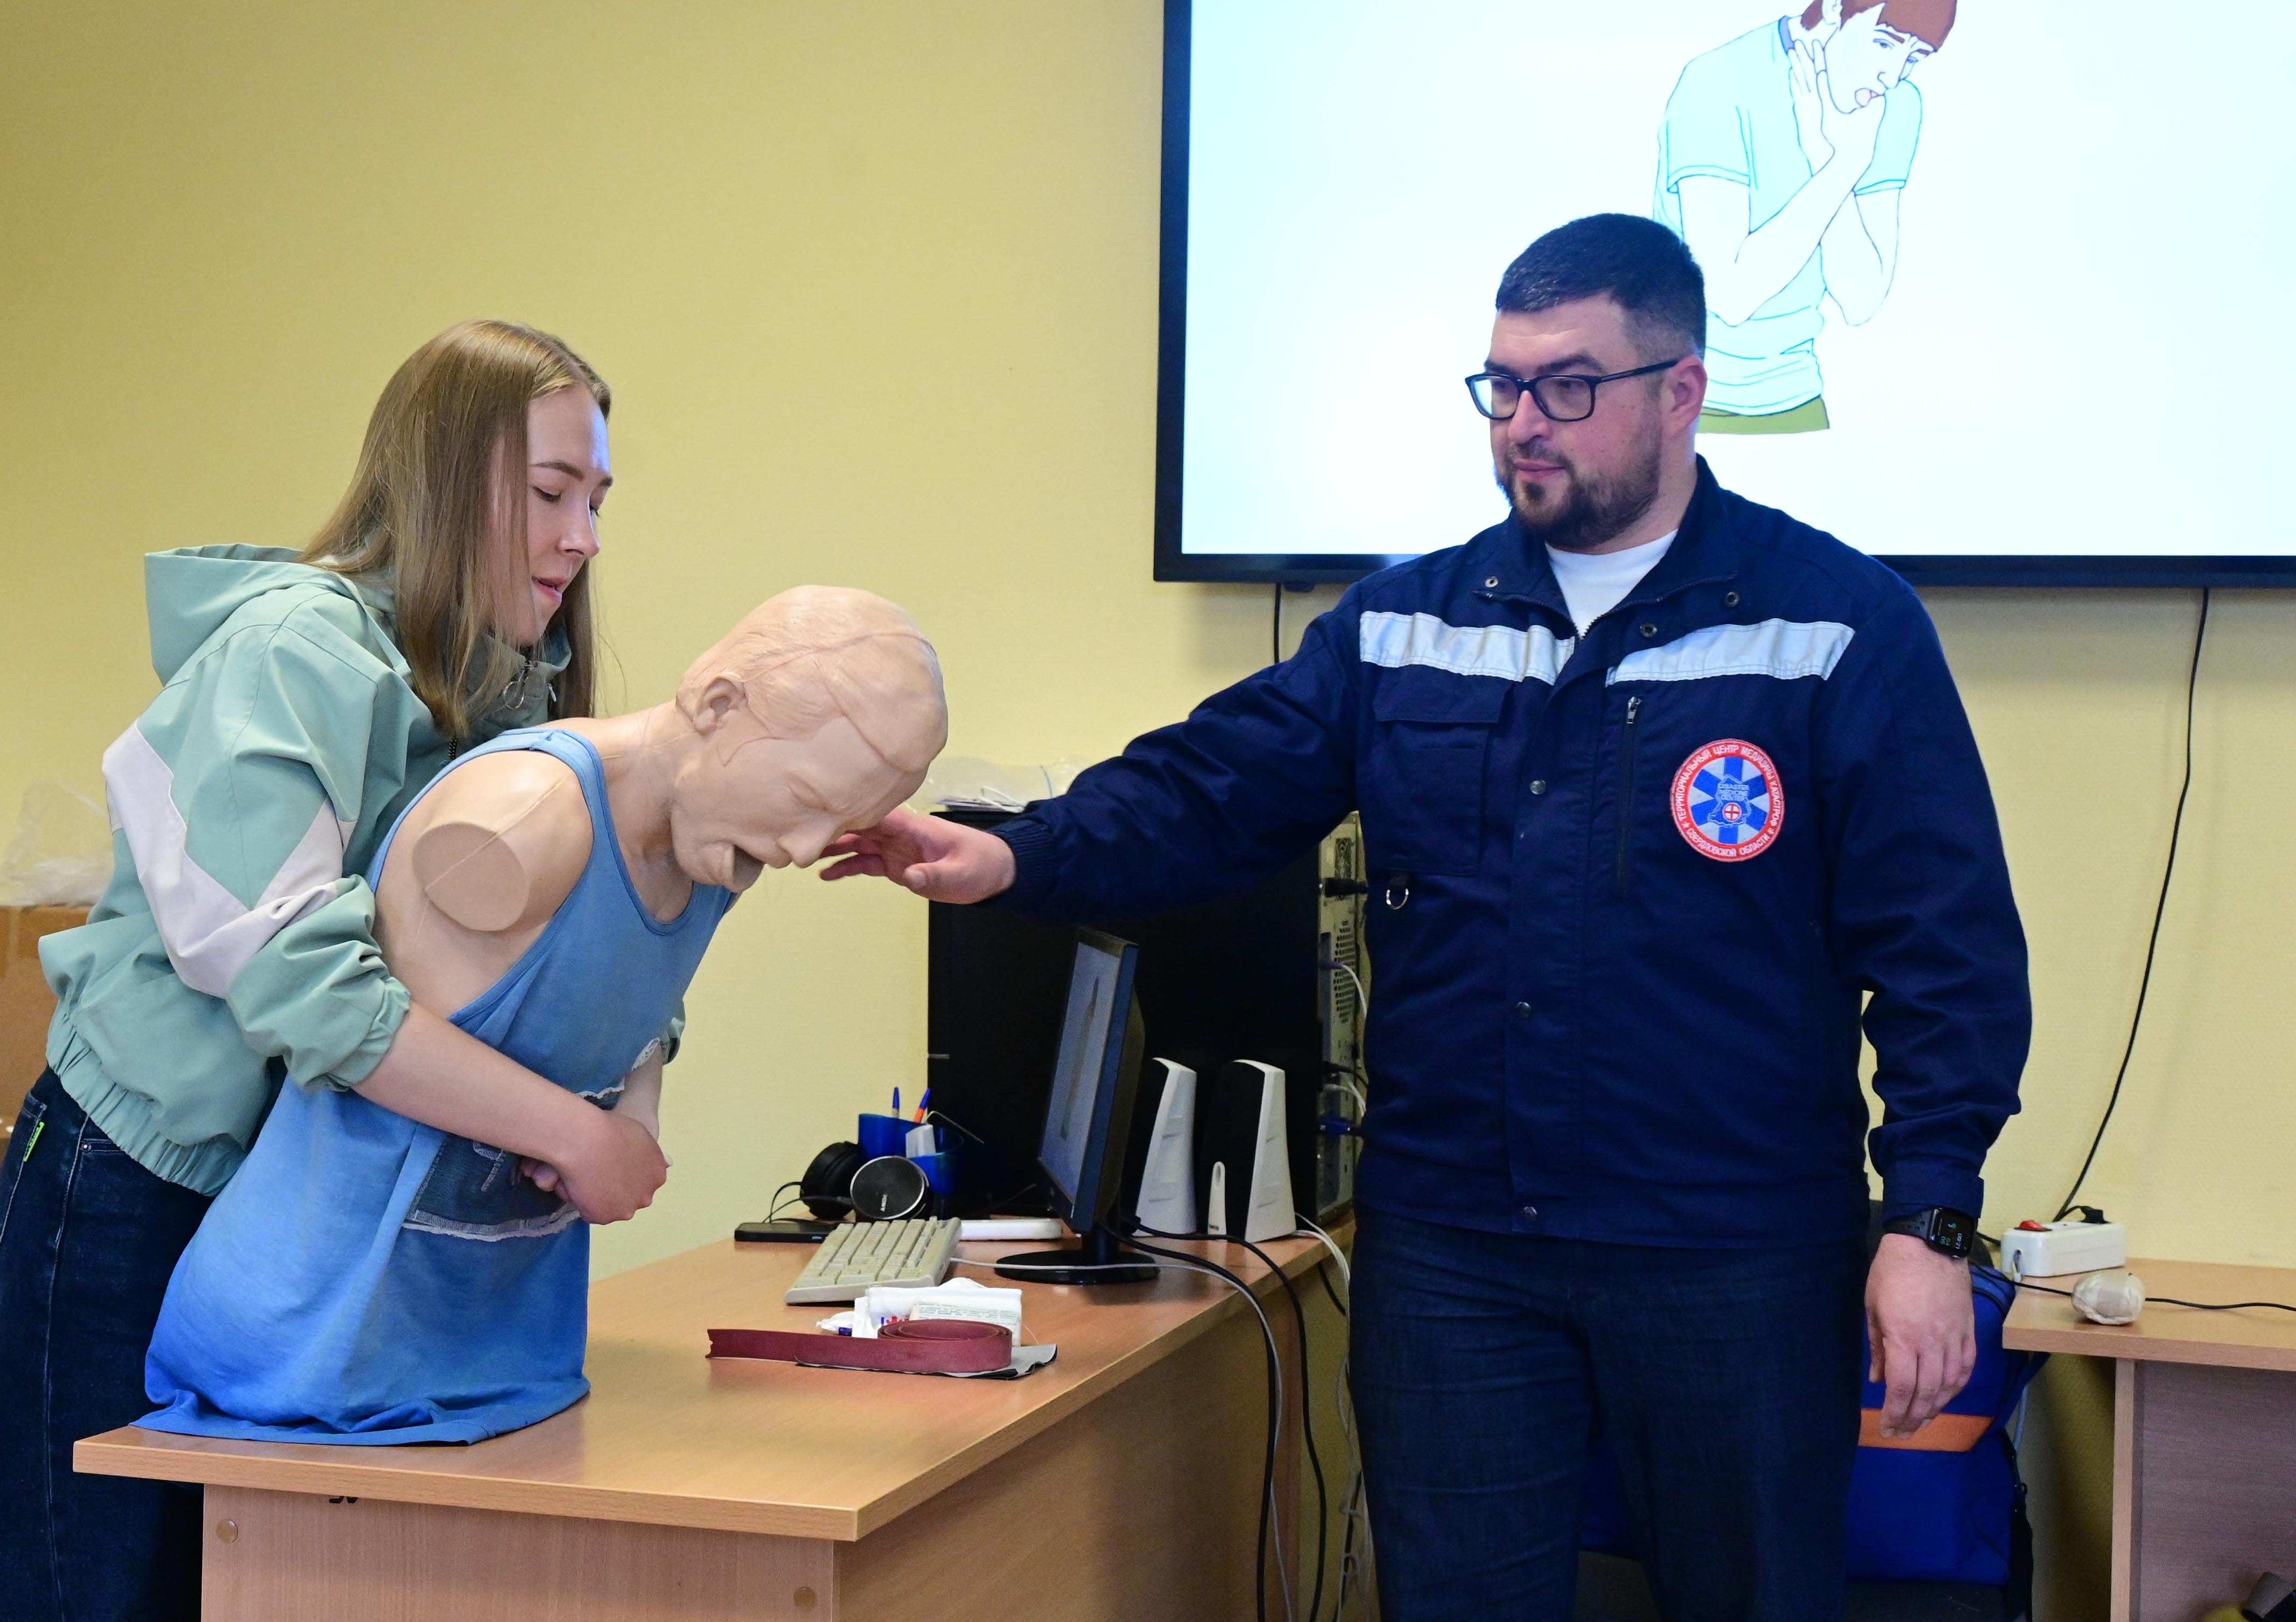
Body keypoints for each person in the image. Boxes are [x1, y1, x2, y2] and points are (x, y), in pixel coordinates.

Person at [823, 215, 2029, 1620]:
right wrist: (1011, 855)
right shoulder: (1404, 625)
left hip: (1732, 1253)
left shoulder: (1834, 629)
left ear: (1681, 391)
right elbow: (1212, 788)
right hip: (1458, 1253)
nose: (1523, 422)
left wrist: (1928, 1220)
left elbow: (1945, 950)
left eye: (1567, 385)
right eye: (1501, 385)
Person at [0, 322, 664, 1620]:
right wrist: (574, 1133)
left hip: (308, 1206)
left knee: (264, 1584)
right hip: (141, 1188)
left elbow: (599, 940)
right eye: (549, 493)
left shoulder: (510, 698)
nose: (582, 538)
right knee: (95, 1588)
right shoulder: (292, 656)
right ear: (446, 481)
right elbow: (311, 991)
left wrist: (630, 1102)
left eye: (597, 500)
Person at [139, 588, 946, 1444]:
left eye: (839, 824)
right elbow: (358, 1034)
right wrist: (585, 1140)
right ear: (718, 703)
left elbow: (629, 994)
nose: (802, 850)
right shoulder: (523, 820)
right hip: (324, 1345)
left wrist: (634, 1118)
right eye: (806, 798)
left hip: (505, 1353)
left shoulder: (712, 842)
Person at [1652, 0, 1956, 433]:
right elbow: (1729, 297)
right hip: (1679, 403)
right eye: (1885, 42)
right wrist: (1838, 168)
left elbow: (1860, 298)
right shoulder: (1719, 83)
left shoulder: (1896, 106)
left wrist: (1838, 160)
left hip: (1796, 395)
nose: (1892, 74)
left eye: (1914, 58)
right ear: (1834, 7)